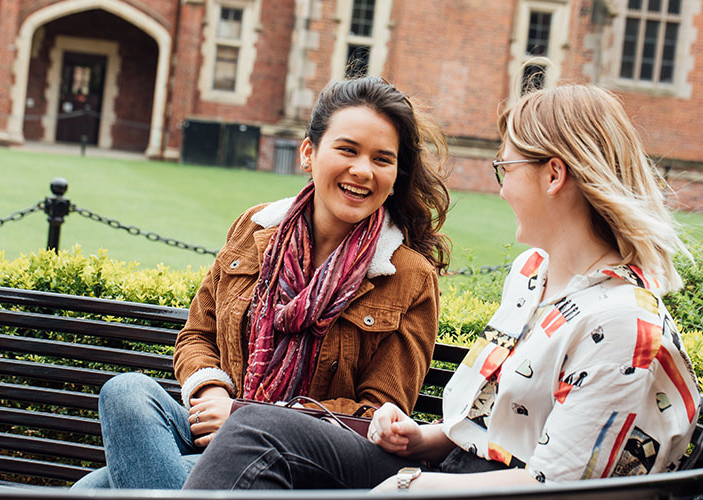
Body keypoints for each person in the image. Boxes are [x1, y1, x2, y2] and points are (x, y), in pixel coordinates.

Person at [182, 83, 701, 491]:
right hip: (449, 474)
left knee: (254, 430)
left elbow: (557, 487)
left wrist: (413, 485)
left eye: (505, 167)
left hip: (458, 488)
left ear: (553, 176)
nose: (501, 188)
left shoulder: (622, 322)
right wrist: (421, 440)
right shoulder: (532, 273)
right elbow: (494, 428)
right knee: (161, 416)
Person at [71, 76, 451, 489]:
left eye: (382, 159)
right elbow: (197, 334)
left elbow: (378, 413)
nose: (362, 170)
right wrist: (213, 394)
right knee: (126, 392)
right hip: (218, 427)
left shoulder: (409, 277)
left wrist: (246, 420)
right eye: (347, 149)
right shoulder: (254, 227)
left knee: (92, 490)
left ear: (395, 176)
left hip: (306, 460)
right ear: (308, 154)